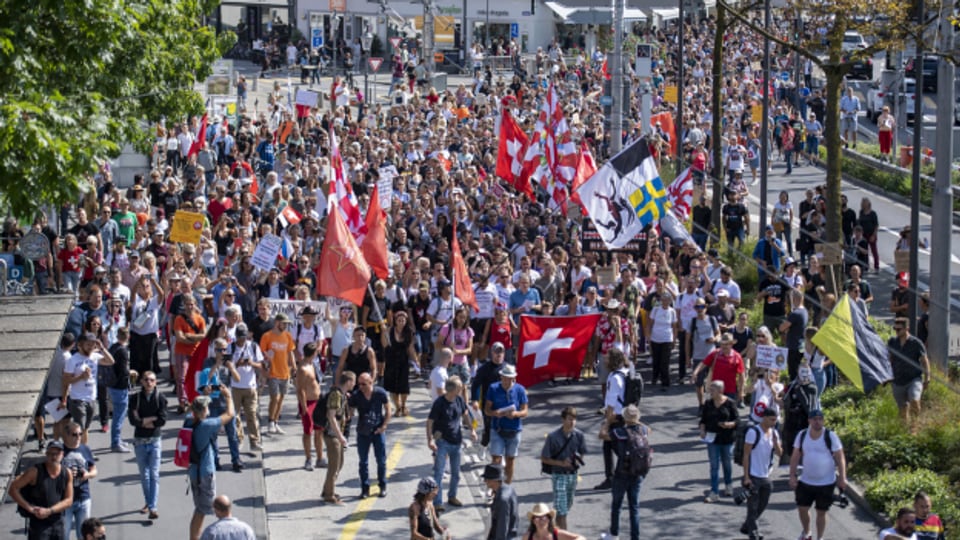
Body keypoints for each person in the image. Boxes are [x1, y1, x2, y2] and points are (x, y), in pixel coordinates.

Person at [788, 409, 847, 540]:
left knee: (821, 512)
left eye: (820, 419)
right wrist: (792, 475)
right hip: (806, 480)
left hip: (826, 482)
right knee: (802, 508)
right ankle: (807, 532)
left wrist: (842, 477)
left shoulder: (830, 436)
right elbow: (795, 456)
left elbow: (840, 457)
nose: (817, 422)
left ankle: (820, 537)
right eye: (814, 419)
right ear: (809, 421)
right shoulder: (802, 435)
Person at [187, 392, 236, 540]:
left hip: (194, 471)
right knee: (203, 510)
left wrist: (205, 395)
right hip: (205, 473)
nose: (209, 408)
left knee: (199, 508)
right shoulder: (206, 425)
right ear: (203, 411)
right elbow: (230, 414)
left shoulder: (189, 421)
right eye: (207, 406)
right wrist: (228, 396)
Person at [427, 376, 476, 511]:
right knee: (439, 473)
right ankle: (437, 502)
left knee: (456, 473)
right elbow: (430, 421)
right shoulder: (439, 403)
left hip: (456, 441)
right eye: (460, 387)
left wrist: (472, 430)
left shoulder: (459, 400)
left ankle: (452, 496)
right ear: (454, 389)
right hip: (442, 442)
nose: (462, 389)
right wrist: (430, 439)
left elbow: (465, 415)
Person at [599, 404, 648, 540]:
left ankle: (614, 534)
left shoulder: (620, 432)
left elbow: (602, 435)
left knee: (617, 505)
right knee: (634, 507)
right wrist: (636, 419)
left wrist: (607, 421)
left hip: (622, 473)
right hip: (637, 473)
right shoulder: (642, 430)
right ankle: (635, 537)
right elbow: (649, 429)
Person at [8, 439, 74, 540]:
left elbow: (69, 500)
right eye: (51, 453)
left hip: (58, 522)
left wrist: (49, 511)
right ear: (46, 454)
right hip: (38, 525)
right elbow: (12, 489)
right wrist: (29, 508)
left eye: (57, 453)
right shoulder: (34, 472)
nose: (54, 456)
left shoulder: (67, 473)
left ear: (63, 454)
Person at [62, 332, 116, 445]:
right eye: (88, 344)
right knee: (79, 429)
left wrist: (102, 348)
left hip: (91, 397)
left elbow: (111, 361)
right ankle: (78, 451)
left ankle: (83, 450)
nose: (91, 347)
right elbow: (66, 380)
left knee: (86, 428)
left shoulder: (94, 356)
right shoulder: (73, 360)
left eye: (93, 344)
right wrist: (81, 377)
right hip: (77, 399)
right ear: (80, 345)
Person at [539, 407, 587, 530]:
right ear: (563, 419)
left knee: (566, 506)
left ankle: (554, 532)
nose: (572, 422)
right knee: (562, 511)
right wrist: (561, 463)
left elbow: (582, 452)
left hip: (572, 475)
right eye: (570, 419)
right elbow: (544, 458)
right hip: (559, 474)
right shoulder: (553, 437)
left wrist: (577, 459)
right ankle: (564, 535)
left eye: (574, 419)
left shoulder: (579, 435)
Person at [128, 370, 166, 519]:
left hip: (155, 440)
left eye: (152, 380)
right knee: (144, 475)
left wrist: (143, 420)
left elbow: (162, 420)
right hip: (139, 441)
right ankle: (149, 502)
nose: (149, 382)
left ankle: (152, 507)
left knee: (154, 474)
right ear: (142, 382)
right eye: (146, 380)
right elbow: (133, 421)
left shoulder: (160, 398)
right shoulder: (135, 398)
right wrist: (151, 420)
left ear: (155, 382)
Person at [740, 408, 783, 540]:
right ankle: (754, 532)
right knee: (752, 505)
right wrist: (746, 477)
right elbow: (746, 454)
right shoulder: (753, 432)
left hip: (765, 475)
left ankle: (747, 525)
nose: (773, 423)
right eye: (771, 419)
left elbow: (780, 454)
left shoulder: (774, 433)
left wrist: (776, 443)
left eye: (775, 420)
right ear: (764, 418)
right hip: (753, 474)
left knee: (763, 503)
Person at [348, 372, 392, 498]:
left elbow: (389, 410)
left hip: (378, 431)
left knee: (381, 461)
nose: (361, 386)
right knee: (363, 462)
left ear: (371, 383)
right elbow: (350, 412)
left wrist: (384, 426)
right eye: (359, 384)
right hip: (363, 432)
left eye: (363, 384)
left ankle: (382, 486)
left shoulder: (380, 393)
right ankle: (364, 489)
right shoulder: (356, 395)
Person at [484, 363, 529, 485]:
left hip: (514, 430)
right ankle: (495, 490)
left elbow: (525, 411)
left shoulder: (520, 390)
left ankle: (507, 488)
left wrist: (515, 414)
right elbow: (487, 410)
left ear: (513, 378)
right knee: (496, 460)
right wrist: (495, 413)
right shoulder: (493, 388)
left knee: (510, 460)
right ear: (501, 377)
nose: (506, 381)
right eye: (504, 378)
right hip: (497, 429)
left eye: (509, 378)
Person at [699, 380, 739, 503]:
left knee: (727, 463)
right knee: (714, 465)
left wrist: (729, 424)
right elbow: (703, 419)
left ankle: (728, 484)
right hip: (712, 439)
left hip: (726, 438)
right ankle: (714, 491)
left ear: (721, 390)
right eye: (710, 389)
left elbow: (738, 420)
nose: (710, 392)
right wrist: (702, 430)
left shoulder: (730, 403)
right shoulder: (708, 403)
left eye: (713, 389)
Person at [321, 371, 356, 505]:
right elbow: (331, 416)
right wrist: (340, 436)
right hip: (332, 435)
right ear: (348, 382)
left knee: (339, 464)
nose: (354, 384)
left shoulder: (341, 394)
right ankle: (329, 496)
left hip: (336, 435)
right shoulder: (336, 395)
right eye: (353, 381)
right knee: (334, 466)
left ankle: (328, 489)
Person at [888, 317, 931, 425]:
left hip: (914, 379)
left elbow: (924, 361)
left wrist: (927, 378)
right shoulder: (892, 342)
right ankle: (904, 433)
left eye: (899, 329)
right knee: (903, 409)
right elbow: (889, 359)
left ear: (906, 328)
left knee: (915, 400)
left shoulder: (916, 343)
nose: (896, 331)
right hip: (897, 380)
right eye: (895, 329)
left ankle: (914, 427)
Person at [260, 312, 296, 434]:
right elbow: (261, 352)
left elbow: (290, 351)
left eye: (286, 324)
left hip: (285, 372)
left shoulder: (288, 336)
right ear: (277, 323)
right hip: (273, 372)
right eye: (283, 323)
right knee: (274, 397)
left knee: (281, 399)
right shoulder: (267, 336)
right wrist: (267, 357)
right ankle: (270, 421)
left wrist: (294, 366)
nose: (285, 326)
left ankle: (275, 422)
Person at [472, 342, 506, 457]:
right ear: (492, 353)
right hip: (489, 404)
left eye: (501, 352)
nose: (499, 355)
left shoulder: (507, 368)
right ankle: (483, 445)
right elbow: (476, 384)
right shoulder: (485, 368)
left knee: (503, 429)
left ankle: (499, 454)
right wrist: (475, 399)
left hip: (504, 404)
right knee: (488, 429)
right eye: (496, 352)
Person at [295, 342, 324, 471]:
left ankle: (320, 457)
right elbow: (300, 389)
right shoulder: (303, 369)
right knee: (308, 432)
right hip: (308, 403)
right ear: (313, 353)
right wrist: (304, 407)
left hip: (317, 401)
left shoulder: (312, 364)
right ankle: (308, 459)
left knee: (319, 431)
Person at [483, 463, 519, 540]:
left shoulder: (502, 500)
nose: (485, 481)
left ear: (494, 480)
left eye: (487, 479)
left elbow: (502, 524)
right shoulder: (509, 488)